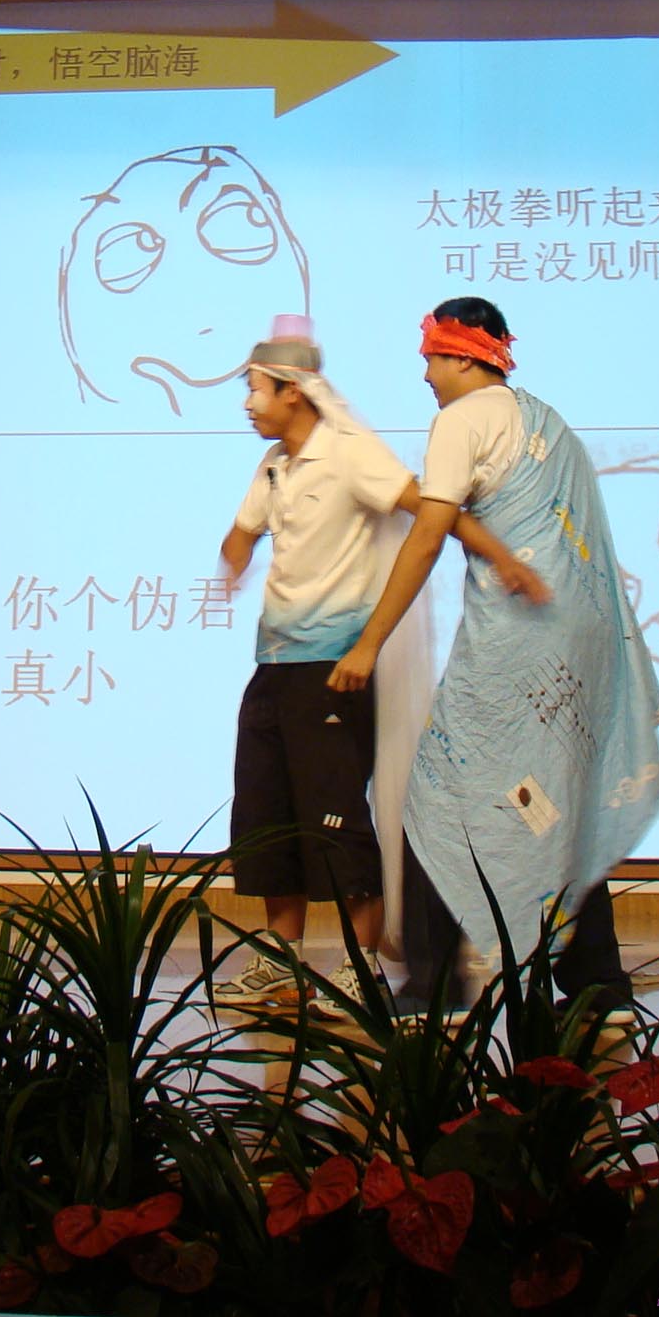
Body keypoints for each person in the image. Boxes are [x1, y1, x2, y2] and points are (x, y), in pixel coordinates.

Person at [332, 298, 659, 1016]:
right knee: (557, 805)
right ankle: (598, 984)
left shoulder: (462, 420)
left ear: (461, 356)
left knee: (435, 795)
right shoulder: (549, 422)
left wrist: (370, 641)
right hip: (580, 641)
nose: (425, 373)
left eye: (431, 357)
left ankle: (434, 984)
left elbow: (428, 535)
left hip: (522, 644)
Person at [213, 316, 539, 1012]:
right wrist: (235, 556)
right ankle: (280, 960)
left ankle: (359, 968)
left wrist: (502, 557)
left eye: (256, 389)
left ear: (294, 391)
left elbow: (433, 510)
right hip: (274, 666)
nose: (248, 403)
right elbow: (242, 531)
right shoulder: (273, 465)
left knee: (335, 821)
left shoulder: (350, 452)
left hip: (335, 668)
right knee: (266, 816)